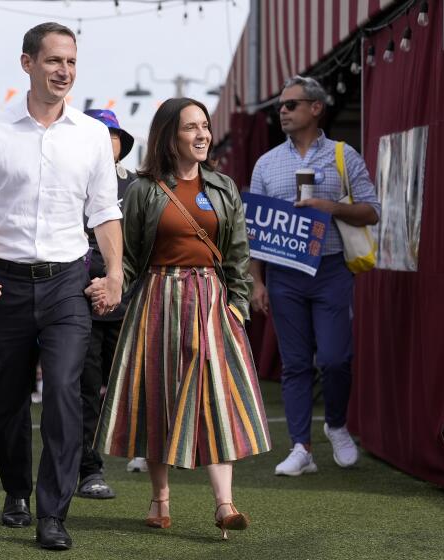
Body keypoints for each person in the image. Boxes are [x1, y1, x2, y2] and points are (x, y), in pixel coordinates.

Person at [0, 22, 124, 551]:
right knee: (6, 399)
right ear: (27, 63)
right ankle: (16, 491)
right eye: (54, 61)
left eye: (72, 62)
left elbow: (104, 211)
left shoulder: (93, 134)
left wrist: (115, 273)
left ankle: (53, 513)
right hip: (3, 281)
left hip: (68, 283)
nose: (65, 71)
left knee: (65, 396)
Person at [92, 98, 272, 540]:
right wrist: (111, 285)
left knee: (217, 400)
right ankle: (160, 499)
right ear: (170, 136)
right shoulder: (143, 189)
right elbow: (130, 257)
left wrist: (237, 307)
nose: (203, 134)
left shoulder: (224, 186)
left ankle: (224, 504)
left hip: (212, 303)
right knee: (158, 397)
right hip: (157, 298)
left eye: (205, 126)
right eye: (192, 127)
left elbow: (237, 254)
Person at [249, 76, 380, 476]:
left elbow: (372, 210)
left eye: (291, 104)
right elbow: (253, 230)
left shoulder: (343, 155)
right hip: (284, 272)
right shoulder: (267, 163)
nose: (283, 111)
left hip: (331, 269)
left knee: (337, 358)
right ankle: (301, 446)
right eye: (281, 107)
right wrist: (257, 282)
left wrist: (330, 207)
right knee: (294, 364)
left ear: (316, 108)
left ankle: (336, 424)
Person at [75, 108, 136, 500]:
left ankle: (146, 454)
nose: (105, 140)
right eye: (97, 133)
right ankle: (88, 468)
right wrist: (92, 283)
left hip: (128, 302)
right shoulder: (68, 181)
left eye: (111, 134)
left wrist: (117, 279)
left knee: (134, 383)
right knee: (83, 389)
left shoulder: (138, 187)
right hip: (77, 301)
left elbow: (145, 245)